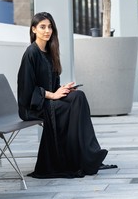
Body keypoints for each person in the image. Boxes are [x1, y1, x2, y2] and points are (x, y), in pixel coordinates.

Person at [17, 12, 117, 178]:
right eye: (42, 27)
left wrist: (63, 90)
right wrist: (54, 95)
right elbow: (26, 91)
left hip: (46, 100)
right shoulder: (31, 53)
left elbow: (53, 86)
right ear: (34, 29)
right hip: (32, 106)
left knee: (78, 97)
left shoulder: (49, 53)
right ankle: (82, 157)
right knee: (76, 100)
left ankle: (89, 155)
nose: (47, 30)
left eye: (50, 27)